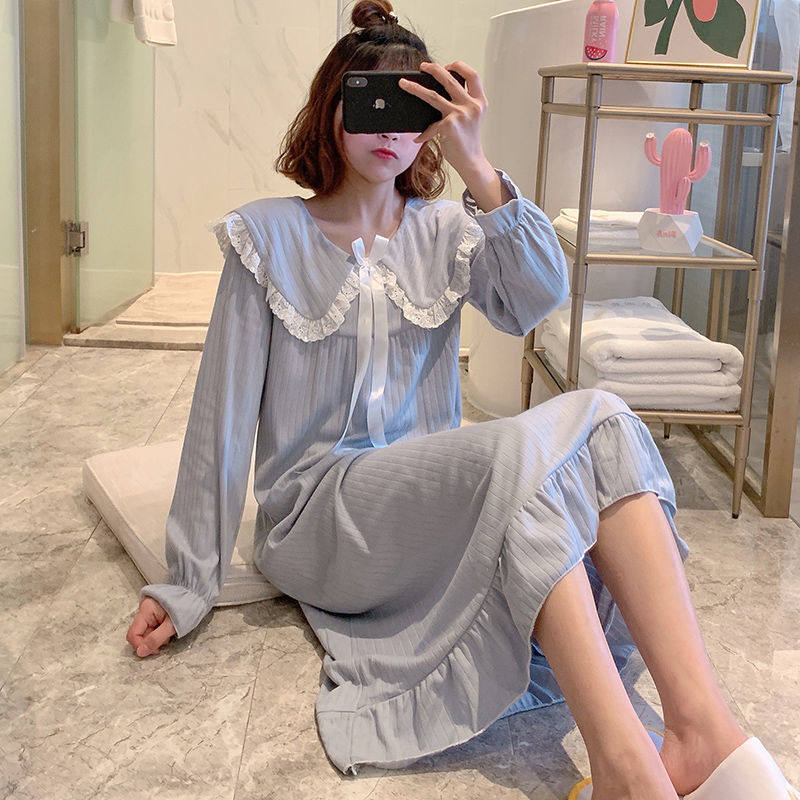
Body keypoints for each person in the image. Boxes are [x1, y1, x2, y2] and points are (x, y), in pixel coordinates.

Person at [124, 2, 789, 798]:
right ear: (330, 110)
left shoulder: (447, 231)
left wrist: (476, 164)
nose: (390, 127)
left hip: (434, 505)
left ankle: (701, 733)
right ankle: (625, 767)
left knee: (604, 418)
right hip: (319, 519)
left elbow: (536, 298)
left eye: (413, 108)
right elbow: (221, 421)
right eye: (368, 101)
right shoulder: (265, 237)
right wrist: (188, 582)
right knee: (518, 464)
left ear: (435, 122)